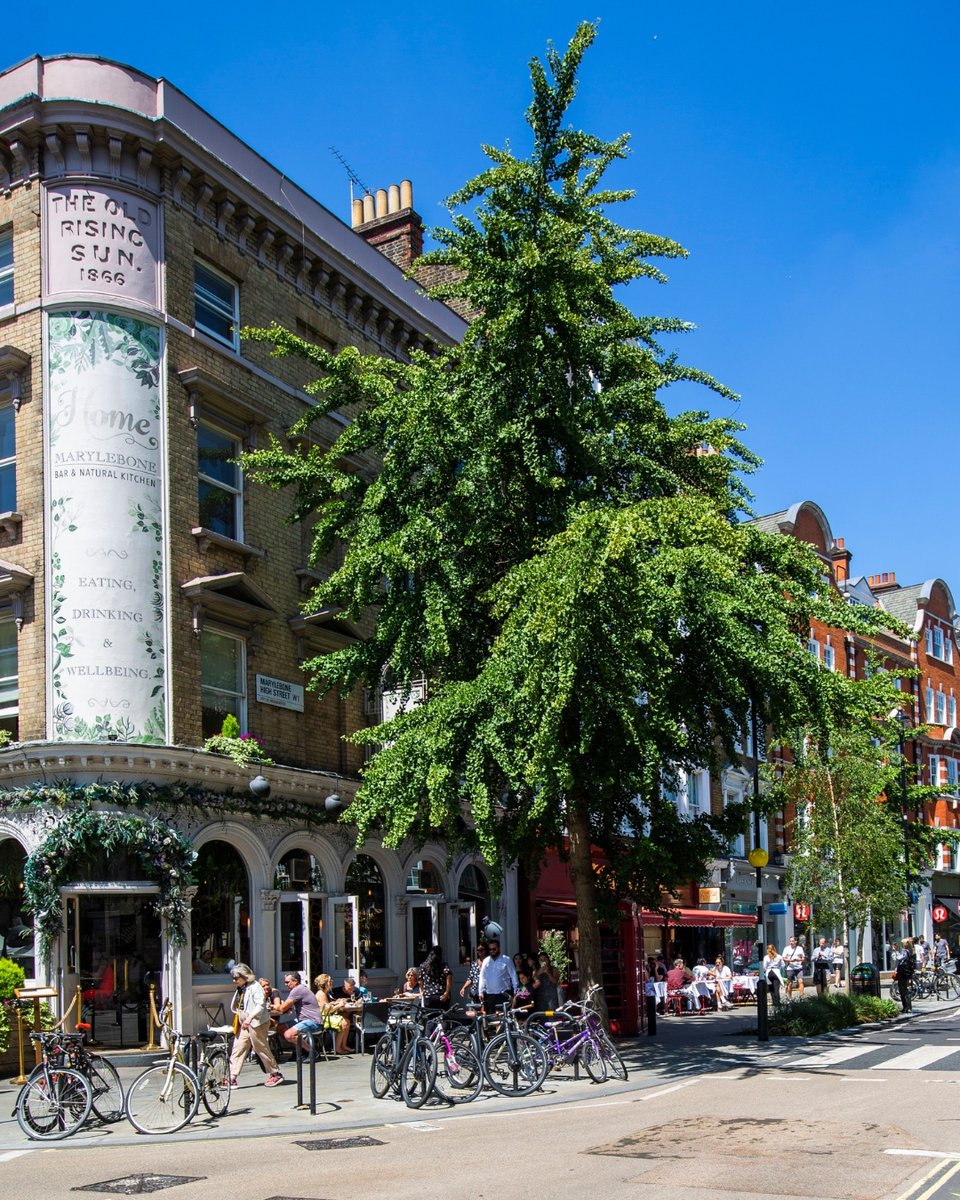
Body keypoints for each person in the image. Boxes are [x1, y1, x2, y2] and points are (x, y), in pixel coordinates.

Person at [229, 963, 282, 1088]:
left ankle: (275, 1073)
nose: (234, 980)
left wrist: (250, 1018)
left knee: (260, 1047)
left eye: (236, 978)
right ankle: (231, 1077)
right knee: (238, 1047)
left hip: (257, 1023)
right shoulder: (243, 987)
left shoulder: (255, 987)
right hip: (245, 1023)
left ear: (245, 976)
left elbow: (260, 1005)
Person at [273, 969, 325, 1051]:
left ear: (295, 981)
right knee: (280, 1027)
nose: (285, 984)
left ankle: (312, 1052)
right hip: (304, 1020)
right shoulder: (300, 988)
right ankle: (298, 1051)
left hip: (313, 1022)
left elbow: (282, 1008)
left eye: (287, 982)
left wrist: (274, 1006)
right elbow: (287, 1007)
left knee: (288, 1034)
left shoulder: (297, 990)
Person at [478, 936, 519, 1013]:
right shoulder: (486, 961)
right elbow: (482, 977)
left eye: (494, 949)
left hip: (503, 993)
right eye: (490, 949)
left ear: (499, 948)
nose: (492, 951)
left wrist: (515, 990)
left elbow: (513, 975)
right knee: (492, 1018)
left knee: (502, 1017)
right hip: (490, 994)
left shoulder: (506, 960)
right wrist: (480, 991)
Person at [314, 973, 352, 1055]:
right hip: (323, 1018)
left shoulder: (323, 993)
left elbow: (326, 1006)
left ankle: (343, 1045)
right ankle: (338, 1047)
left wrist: (335, 1002)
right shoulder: (321, 994)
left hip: (325, 1016)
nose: (331, 982)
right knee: (344, 1022)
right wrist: (339, 1005)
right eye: (330, 981)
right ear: (325, 983)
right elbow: (327, 1010)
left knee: (347, 1021)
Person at [418, 945, 452, 1009]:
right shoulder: (443, 966)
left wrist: (421, 992)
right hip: (441, 994)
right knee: (442, 1016)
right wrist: (446, 993)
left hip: (428, 995)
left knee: (430, 1016)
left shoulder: (423, 966)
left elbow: (420, 980)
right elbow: (449, 978)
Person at [895, 937, 915, 1012]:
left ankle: (907, 1007)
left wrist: (896, 951)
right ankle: (907, 1007)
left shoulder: (905, 951)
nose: (901, 945)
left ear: (905, 944)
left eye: (902, 943)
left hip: (903, 973)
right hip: (905, 972)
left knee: (903, 990)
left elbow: (899, 958)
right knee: (904, 990)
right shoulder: (909, 951)